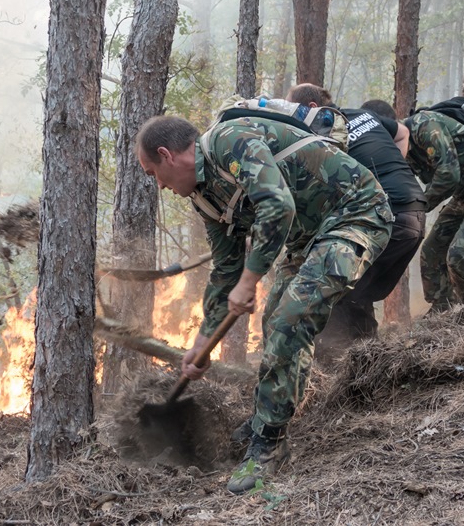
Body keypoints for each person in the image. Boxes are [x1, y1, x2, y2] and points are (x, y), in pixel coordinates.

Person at [136, 114, 392, 494]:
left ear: (166, 155)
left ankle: (269, 445)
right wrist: (204, 342)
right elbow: (225, 271)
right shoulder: (206, 199)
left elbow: (278, 205)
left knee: (293, 316)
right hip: (309, 238)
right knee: (275, 321)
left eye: (152, 172)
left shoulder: (229, 140)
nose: (158, 184)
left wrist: (250, 281)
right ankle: (264, 421)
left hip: (357, 213)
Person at [285, 84, 427, 342]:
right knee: (355, 291)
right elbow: (403, 132)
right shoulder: (362, 115)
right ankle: (363, 359)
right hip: (415, 211)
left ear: (312, 108)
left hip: (389, 216)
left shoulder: (324, 137)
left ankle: (335, 361)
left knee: (335, 286)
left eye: (293, 110)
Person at [387, 105, 464, 312]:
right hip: (463, 196)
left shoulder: (425, 126)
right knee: (431, 251)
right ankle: (442, 309)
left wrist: (421, 205)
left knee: (459, 256)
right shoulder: (400, 149)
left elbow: (448, 175)